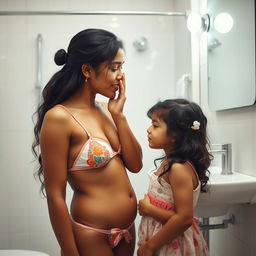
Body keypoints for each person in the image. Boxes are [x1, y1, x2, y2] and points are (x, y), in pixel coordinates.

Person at [32, 28, 143, 256]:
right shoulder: (59, 118)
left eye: (122, 67)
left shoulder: (106, 110)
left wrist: (119, 115)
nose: (121, 75)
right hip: (91, 234)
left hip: (127, 231)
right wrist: (70, 251)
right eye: (114, 68)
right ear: (87, 70)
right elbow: (55, 196)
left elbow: (135, 164)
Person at [137, 99, 212, 256]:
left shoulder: (179, 168)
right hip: (165, 239)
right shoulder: (169, 161)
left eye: (155, 125)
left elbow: (184, 219)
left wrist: (149, 209)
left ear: (175, 135)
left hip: (174, 245)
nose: (148, 130)